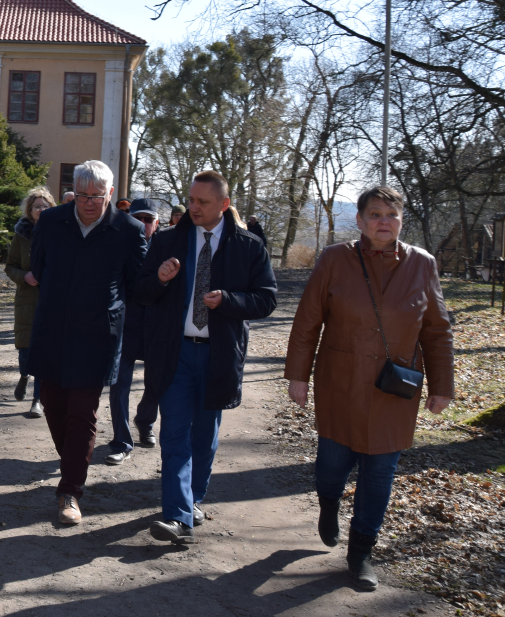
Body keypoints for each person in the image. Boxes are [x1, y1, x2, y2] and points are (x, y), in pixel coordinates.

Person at [284, 186, 454, 591]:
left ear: (401, 221)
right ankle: (328, 504)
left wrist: (442, 386)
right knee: (331, 466)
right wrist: (297, 376)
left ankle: (361, 552)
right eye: (374, 214)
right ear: (359, 221)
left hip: (394, 389)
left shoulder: (422, 264)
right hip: (340, 383)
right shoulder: (335, 259)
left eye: (391, 214)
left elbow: (437, 331)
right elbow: (308, 319)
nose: (383, 221)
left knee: (380, 474)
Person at [135, 170, 277, 544]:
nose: (194, 207)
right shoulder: (167, 241)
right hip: (174, 352)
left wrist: (229, 301)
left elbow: (267, 299)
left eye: (203, 202)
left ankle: (194, 499)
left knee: (205, 437)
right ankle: (178, 517)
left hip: (218, 354)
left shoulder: (248, 246)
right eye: (191, 200)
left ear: (224, 205)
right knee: (175, 435)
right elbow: (141, 291)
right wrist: (160, 279)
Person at [28, 160, 147, 525]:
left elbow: (138, 284)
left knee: (83, 412)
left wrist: (160, 277)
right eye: (82, 195)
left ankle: (70, 492)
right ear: (72, 193)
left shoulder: (128, 229)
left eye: (97, 196)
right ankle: (73, 460)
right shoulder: (51, 222)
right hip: (51, 330)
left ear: (111, 194)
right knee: (52, 404)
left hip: (98, 335)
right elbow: (39, 266)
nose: (89, 203)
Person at [105, 197, 165, 464]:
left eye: (148, 219)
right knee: (119, 386)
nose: (143, 223)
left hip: (156, 327)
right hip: (125, 326)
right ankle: (121, 440)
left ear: (157, 223)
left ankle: (145, 421)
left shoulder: (167, 247)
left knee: (156, 384)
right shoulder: (120, 243)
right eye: (138, 218)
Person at [5, 186, 56, 419]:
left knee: (44, 350)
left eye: (45, 206)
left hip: (50, 299)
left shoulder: (59, 233)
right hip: (26, 299)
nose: (41, 210)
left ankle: (37, 400)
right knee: (26, 350)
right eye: (37, 206)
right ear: (30, 210)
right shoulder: (21, 234)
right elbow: (10, 266)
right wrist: (24, 276)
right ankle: (24, 375)